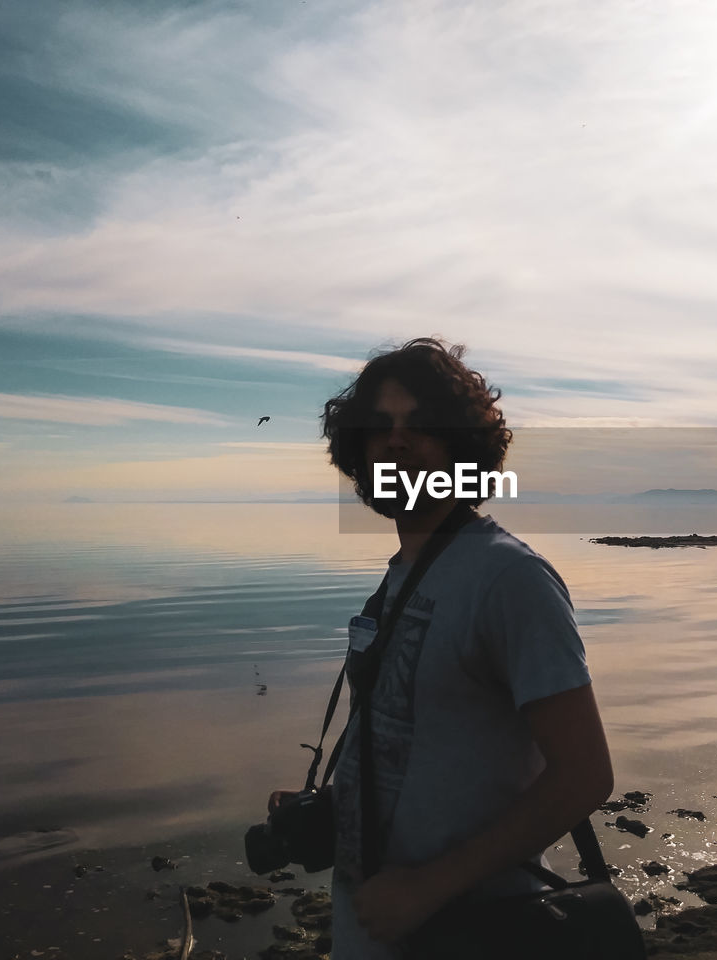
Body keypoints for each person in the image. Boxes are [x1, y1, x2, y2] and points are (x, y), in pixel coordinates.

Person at [274, 338, 614, 959]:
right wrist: (337, 804)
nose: (396, 442)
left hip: (471, 933)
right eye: (378, 428)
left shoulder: (510, 579)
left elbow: (586, 775)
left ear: (465, 449)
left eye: (422, 425)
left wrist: (427, 887)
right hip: (372, 926)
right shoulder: (405, 573)